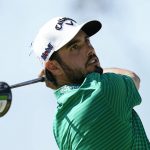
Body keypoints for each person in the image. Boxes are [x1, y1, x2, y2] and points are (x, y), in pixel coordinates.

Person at [32, 17, 150, 149]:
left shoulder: (59, 123)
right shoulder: (102, 90)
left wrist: (58, 80)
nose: (90, 49)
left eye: (87, 40)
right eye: (75, 46)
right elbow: (132, 77)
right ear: (53, 66)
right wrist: (96, 72)